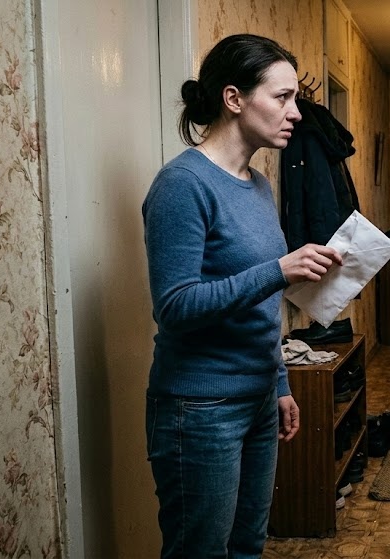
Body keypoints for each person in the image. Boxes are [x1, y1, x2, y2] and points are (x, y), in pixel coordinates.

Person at [142, 34, 343, 558]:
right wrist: (278, 270)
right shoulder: (182, 184)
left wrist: (278, 383)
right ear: (234, 98)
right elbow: (175, 305)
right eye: (282, 97)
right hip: (200, 408)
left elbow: (258, 308)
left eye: (295, 98)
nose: (295, 112)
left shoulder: (257, 184)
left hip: (257, 398)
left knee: (248, 547)